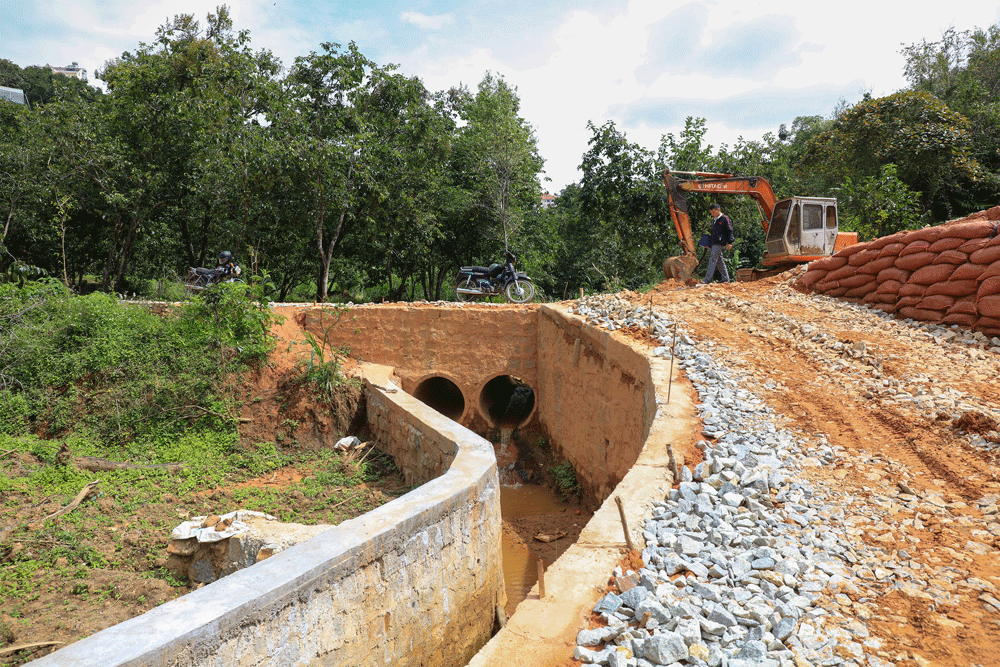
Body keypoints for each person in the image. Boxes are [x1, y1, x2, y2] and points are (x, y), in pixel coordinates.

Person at [702, 203, 734, 284]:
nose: (712, 214)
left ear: (718, 210)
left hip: (720, 242)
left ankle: (707, 280)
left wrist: (730, 242)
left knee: (712, 259)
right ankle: (725, 278)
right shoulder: (714, 221)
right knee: (719, 261)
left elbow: (729, 230)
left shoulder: (725, 218)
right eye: (711, 213)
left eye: (713, 212)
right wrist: (708, 243)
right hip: (714, 243)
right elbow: (713, 233)